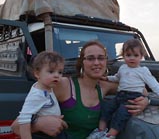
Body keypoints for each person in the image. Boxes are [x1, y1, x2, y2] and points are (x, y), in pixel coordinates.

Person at [11, 40, 149, 139]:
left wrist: (144, 101)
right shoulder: (63, 84)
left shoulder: (105, 86)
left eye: (101, 58)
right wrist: (39, 124)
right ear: (82, 62)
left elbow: (141, 89)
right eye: (90, 58)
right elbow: (15, 126)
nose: (96, 62)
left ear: (106, 61)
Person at [87, 39, 159, 139]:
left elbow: (153, 83)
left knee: (121, 114)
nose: (132, 58)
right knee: (106, 108)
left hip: (133, 98)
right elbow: (117, 78)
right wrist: (107, 78)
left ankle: (109, 136)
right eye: (128, 55)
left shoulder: (143, 71)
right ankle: (100, 131)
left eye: (135, 55)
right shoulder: (123, 68)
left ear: (141, 56)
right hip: (120, 95)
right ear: (123, 55)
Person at [18, 51, 65, 139]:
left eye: (60, 72)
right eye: (51, 71)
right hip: (42, 135)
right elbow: (24, 119)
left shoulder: (47, 87)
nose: (57, 76)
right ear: (37, 73)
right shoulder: (37, 94)